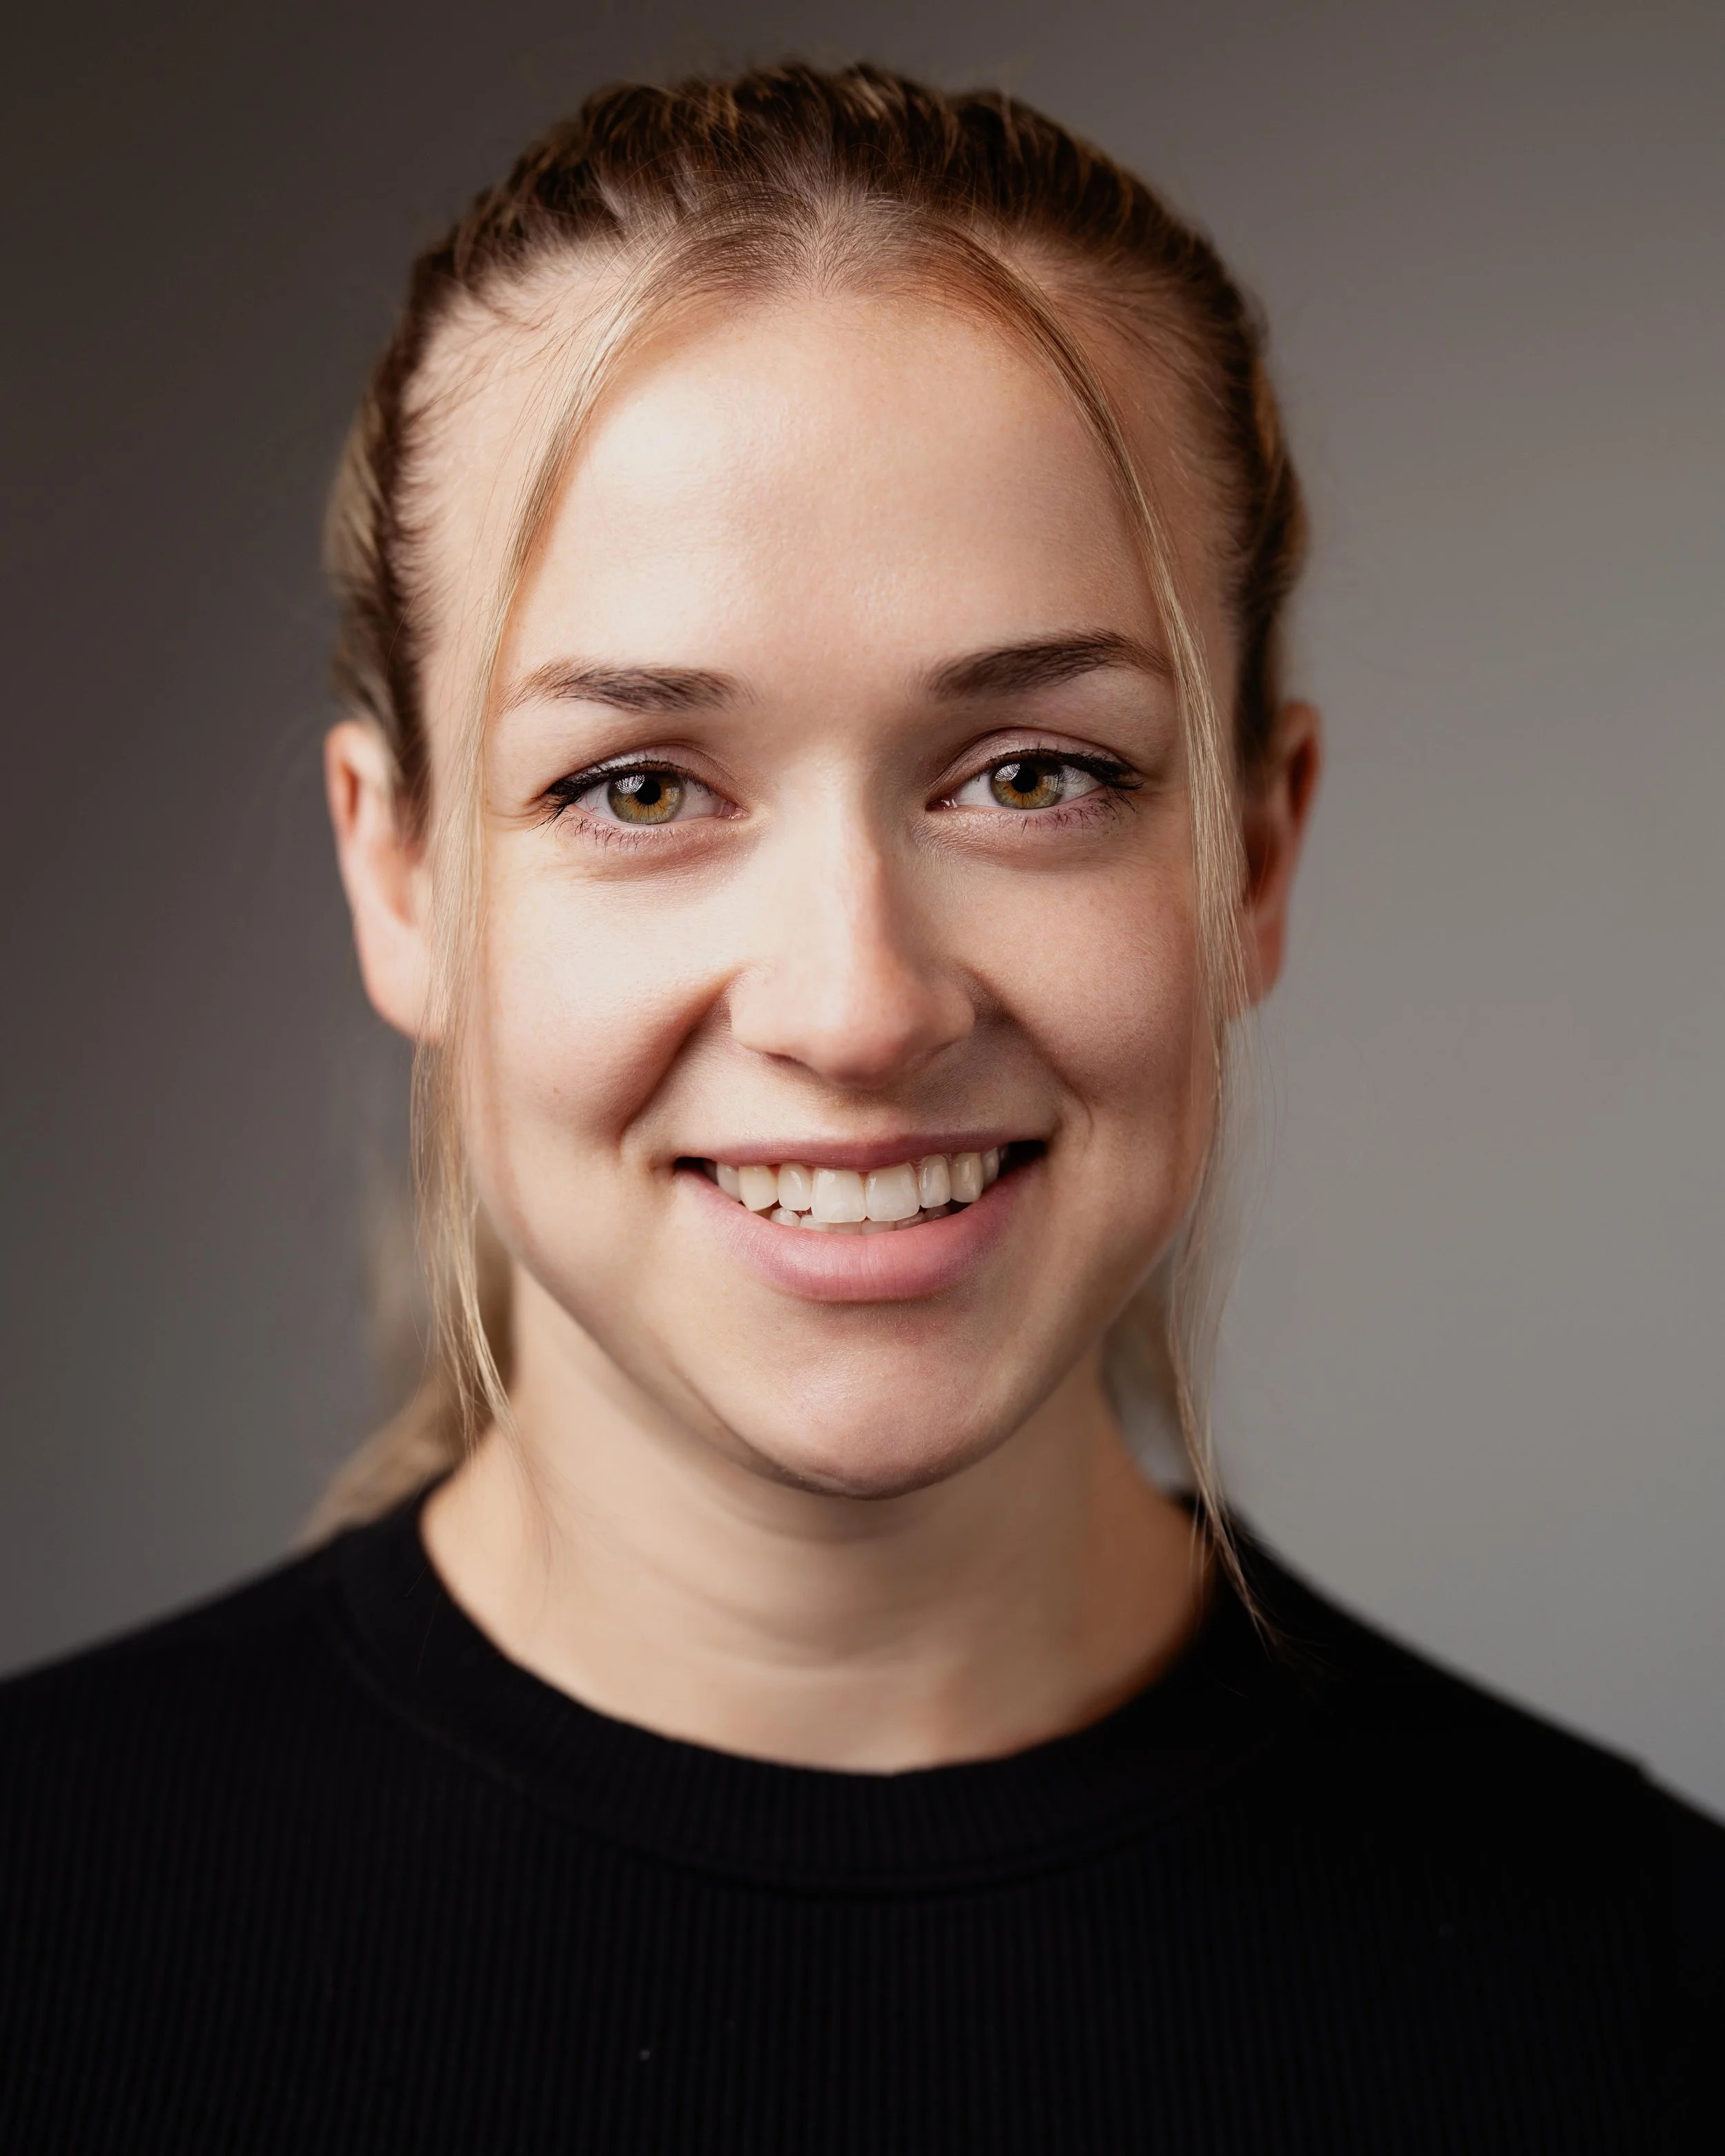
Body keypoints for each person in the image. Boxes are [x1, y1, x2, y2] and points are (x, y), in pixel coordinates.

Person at [1, 63, 1717, 2155]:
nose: (856, 1004)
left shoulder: (1646, 2001)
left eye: (1030, 775)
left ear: (1253, 857)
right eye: (638, 786)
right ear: (398, 877)